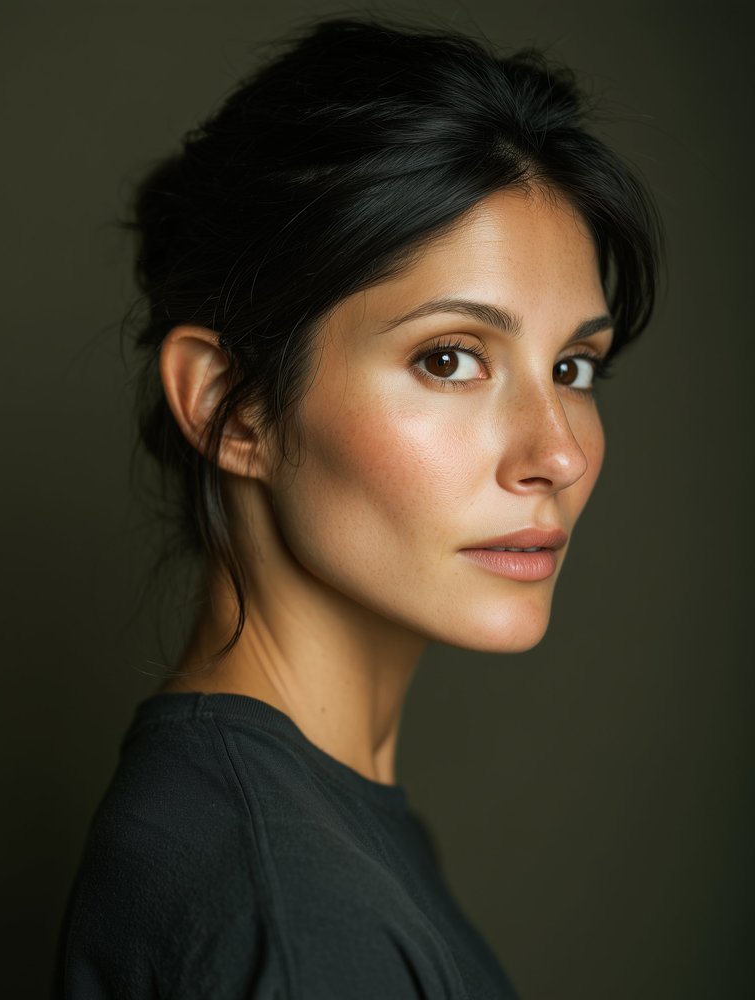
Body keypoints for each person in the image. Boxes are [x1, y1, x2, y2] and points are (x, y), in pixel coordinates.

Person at [53, 16, 662, 999]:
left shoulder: (294, 832)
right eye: (450, 358)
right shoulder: (292, 916)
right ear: (227, 405)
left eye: (572, 366)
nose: (556, 453)